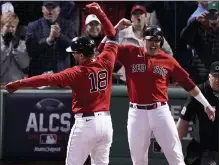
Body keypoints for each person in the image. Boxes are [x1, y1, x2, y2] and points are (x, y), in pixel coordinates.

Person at [5, 3, 118, 165]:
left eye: (74, 54)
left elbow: (46, 79)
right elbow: (113, 35)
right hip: (106, 123)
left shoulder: (77, 72)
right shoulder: (106, 61)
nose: (73, 56)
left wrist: (20, 83)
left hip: (85, 124)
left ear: (80, 54)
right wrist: (100, 13)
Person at [99, 25, 216, 165]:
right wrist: (116, 27)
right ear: (143, 40)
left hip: (160, 112)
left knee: (175, 155)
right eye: (150, 40)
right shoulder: (129, 52)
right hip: (137, 113)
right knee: (138, 159)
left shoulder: (167, 60)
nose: (154, 44)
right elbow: (102, 50)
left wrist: (207, 105)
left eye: (157, 40)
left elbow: (188, 84)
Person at [177, 61, 219, 165]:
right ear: (209, 76)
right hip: (202, 149)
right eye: (215, 76)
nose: (218, 80)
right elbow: (184, 121)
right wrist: (174, 146)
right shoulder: (199, 93)